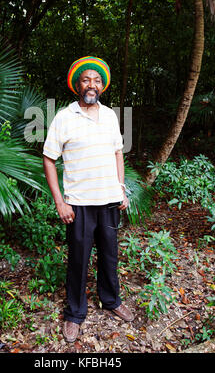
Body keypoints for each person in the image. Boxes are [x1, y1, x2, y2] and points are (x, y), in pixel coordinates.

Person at [43, 56, 135, 343]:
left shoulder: (109, 115)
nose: (91, 84)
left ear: (102, 86)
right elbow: (48, 158)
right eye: (86, 79)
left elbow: (117, 153)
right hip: (79, 203)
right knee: (78, 260)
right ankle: (74, 314)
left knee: (109, 256)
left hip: (109, 200)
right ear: (77, 85)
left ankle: (111, 300)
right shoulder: (64, 117)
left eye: (97, 80)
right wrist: (60, 201)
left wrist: (121, 188)